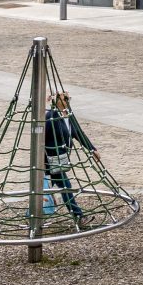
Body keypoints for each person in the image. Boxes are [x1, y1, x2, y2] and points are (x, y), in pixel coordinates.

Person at [42, 91, 89, 223]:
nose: (68, 100)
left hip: (62, 159)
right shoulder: (51, 116)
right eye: (65, 98)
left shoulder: (68, 116)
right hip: (51, 160)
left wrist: (92, 149)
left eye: (68, 98)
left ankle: (29, 214)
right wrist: (42, 161)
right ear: (57, 101)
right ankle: (78, 216)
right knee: (65, 187)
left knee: (47, 190)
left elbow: (78, 133)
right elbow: (41, 139)